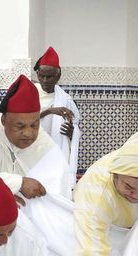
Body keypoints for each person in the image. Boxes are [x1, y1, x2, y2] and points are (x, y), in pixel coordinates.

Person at [0, 74, 71, 199]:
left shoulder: (42, 139)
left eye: (34, 125)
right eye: (20, 126)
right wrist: (18, 184)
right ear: (4, 121)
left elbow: (60, 181)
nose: (29, 133)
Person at [34, 47, 81, 190]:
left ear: (58, 76)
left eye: (49, 77)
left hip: (55, 155)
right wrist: (49, 111)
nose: (45, 80)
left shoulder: (65, 99)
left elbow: (76, 125)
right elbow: (22, 121)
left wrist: (73, 134)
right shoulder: (31, 93)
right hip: (33, 152)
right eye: (41, 76)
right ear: (37, 74)